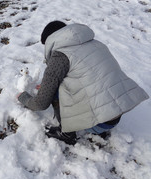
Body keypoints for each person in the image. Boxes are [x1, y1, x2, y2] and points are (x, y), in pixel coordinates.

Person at [18, 21, 149, 145]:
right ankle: (99, 128)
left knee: (55, 90)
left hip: (99, 123)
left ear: (50, 40)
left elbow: (41, 103)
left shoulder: (60, 56)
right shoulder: (96, 43)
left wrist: (23, 97)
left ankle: (66, 134)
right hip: (116, 113)